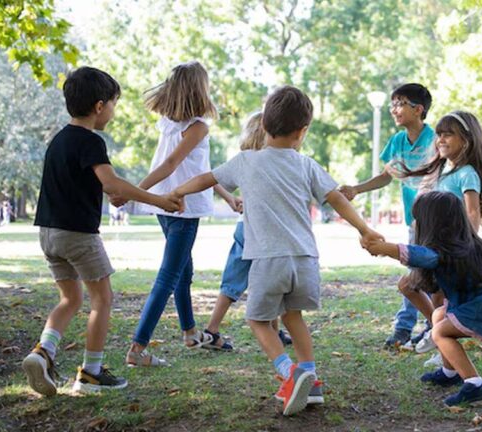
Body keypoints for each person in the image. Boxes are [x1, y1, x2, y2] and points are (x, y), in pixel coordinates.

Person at [171, 85, 383, 415]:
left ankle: (290, 372)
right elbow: (337, 198)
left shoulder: (246, 161)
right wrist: (365, 229)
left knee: (257, 320)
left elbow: (207, 179)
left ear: (264, 125)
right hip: (305, 260)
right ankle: (311, 380)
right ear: (302, 132)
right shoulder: (306, 164)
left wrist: (178, 192)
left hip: (268, 259)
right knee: (293, 317)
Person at [22, 66, 182, 396]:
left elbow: (93, 185)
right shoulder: (91, 141)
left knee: (70, 298)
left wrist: (116, 192)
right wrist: (158, 200)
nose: (113, 110)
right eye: (113, 104)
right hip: (78, 235)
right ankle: (91, 373)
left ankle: (43, 352)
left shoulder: (59, 140)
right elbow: (111, 182)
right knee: (102, 299)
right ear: (99, 106)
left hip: (49, 234)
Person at [121, 61, 242, 367]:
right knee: (170, 275)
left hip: (165, 204)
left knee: (183, 271)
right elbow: (170, 165)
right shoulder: (197, 126)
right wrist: (132, 191)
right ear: (200, 89)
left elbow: (200, 170)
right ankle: (137, 348)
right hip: (181, 207)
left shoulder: (169, 123)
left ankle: (190, 333)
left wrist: (228, 196)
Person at [364, 191, 482, 406]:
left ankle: (475, 385)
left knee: (440, 332)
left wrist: (384, 249)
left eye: (418, 219)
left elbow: (422, 255)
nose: (414, 224)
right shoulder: (463, 245)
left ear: (432, 224)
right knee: (439, 316)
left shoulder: (446, 251)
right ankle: (450, 372)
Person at [394, 110, 482, 356]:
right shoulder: (442, 171)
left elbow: (472, 212)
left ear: (466, 140)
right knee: (410, 286)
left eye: (448, 134)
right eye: (439, 134)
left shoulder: (467, 174)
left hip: (451, 249)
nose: (440, 139)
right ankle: (437, 333)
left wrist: (468, 246)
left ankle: (443, 349)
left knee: (437, 297)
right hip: (433, 245)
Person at [339, 83, 435, 348]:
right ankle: (431, 325)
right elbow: (386, 176)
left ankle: (408, 327)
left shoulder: (435, 139)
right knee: (418, 273)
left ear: (418, 109)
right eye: (393, 104)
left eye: (400, 104)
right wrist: (356, 189)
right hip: (414, 221)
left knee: (420, 274)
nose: (394, 109)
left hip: (436, 221)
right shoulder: (397, 142)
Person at [198, 112, 292, 351]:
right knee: (271, 277)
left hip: (244, 226)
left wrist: (235, 200)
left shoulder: (245, 161)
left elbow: (215, 178)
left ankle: (213, 329)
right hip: (263, 230)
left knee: (235, 279)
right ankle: (272, 331)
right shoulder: (276, 163)